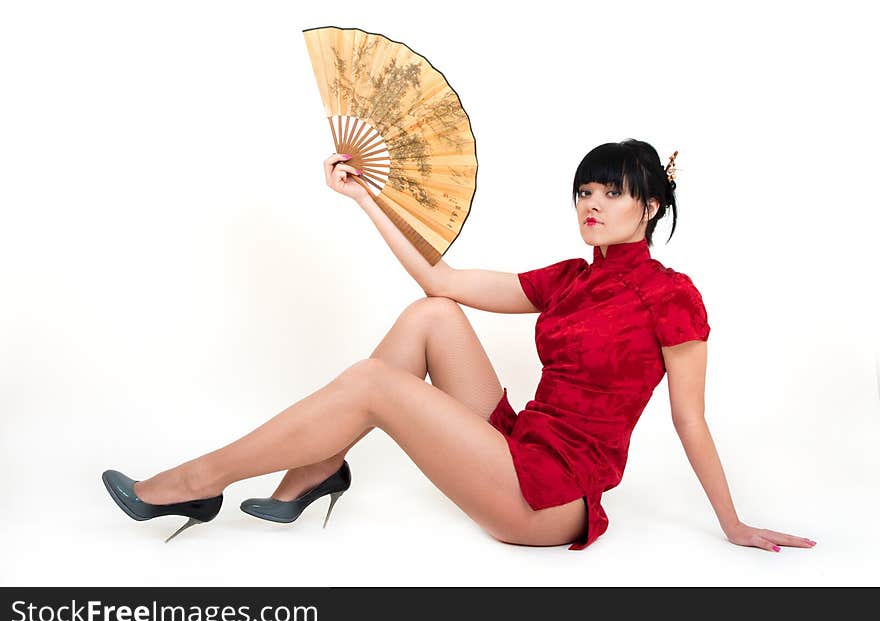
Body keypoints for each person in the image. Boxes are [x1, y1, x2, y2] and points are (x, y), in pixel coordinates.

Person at [102, 138, 817, 552]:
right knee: (433, 312)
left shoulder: (672, 295)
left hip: (551, 495)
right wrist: (362, 199)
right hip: (521, 443)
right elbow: (442, 277)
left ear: (651, 205)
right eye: (583, 192)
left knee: (374, 385)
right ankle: (317, 468)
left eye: (611, 193)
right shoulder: (568, 278)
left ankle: (200, 483)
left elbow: (690, 419)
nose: (591, 205)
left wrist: (733, 522)